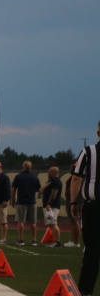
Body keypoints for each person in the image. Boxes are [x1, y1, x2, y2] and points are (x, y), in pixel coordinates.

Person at [70, 122, 100, 296]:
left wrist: (74, 203)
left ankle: (86, 291)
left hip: (93, 207)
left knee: (92, 250)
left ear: (98, 133)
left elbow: (76, 179)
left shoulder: (89, 152)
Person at [11, 160, 41, 246]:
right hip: (32, 201)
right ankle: (34, 240)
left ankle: (21, 240)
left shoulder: (19, 177)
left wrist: (12, 200)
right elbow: (39, 189)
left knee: (21, 221)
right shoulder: (35, 177)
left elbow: (13, 189)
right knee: (33, 222)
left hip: (21, 201)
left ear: (23, 167)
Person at [40, 166, 62, 248]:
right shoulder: (50, 181)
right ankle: (55, 241)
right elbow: (41, 191)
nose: (49, 173)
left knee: (53, 223)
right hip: (47, 206)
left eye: (50, 172)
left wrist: (49, 204)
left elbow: (54, 194)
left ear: (55, 172)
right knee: (50, 224)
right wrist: (45, 186)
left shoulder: (56, 181)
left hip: (53, 206)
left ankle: (57, 242)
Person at [64, 162, 82, 247]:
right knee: (73, 221)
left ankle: (76, 241)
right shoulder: (73, 177)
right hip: (71, 200)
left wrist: (73, 202)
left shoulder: (76, 177)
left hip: (73, 201)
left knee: (75, 221)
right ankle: (73, 240)